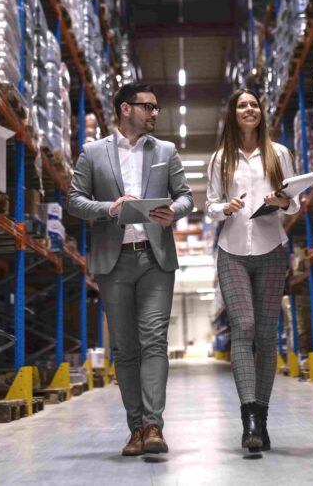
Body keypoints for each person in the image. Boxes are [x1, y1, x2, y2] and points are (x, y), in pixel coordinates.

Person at [67, 82, 193, 457]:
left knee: (154, 340)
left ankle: (154, 425)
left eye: (157, 108)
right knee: (125, 349)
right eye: (148, 107)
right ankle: (135, 428)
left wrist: (176, 211)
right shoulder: (92, 153)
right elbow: (74, 201)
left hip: (155, 259)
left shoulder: (165, 151)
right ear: (126, 109)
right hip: (114, 260)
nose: (155, 113)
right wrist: (110, 208)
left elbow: (186, 195)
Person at [205, 88, 299, 452]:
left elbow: (294, 204)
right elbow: (210, 205)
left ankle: (262, 416)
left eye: (254, 105)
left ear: (261, 112)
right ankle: (248, 418)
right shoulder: (219, 159)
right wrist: (223, 208)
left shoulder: (279, 154)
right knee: (243, 327)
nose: (249, 109)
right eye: (242, 105)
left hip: (271, 247)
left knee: (266, 334)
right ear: (233, 113)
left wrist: (282, 200)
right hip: (232, 251)